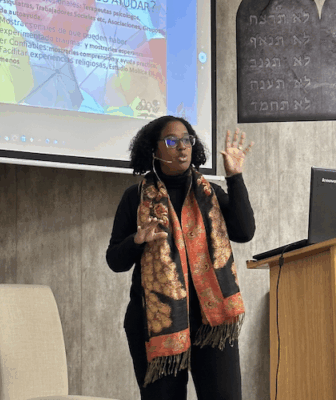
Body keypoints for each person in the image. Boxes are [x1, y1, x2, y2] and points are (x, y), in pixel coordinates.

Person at [106, 115, 255, 400]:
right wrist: (136, 241)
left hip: (212, 322)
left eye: (187, 140)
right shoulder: (135, 198)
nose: (182, 147)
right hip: (156, 324)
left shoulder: (210, 193)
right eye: (172, 141)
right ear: (154, 149)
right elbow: (114, 260)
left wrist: (235, 177)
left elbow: (244, 231)